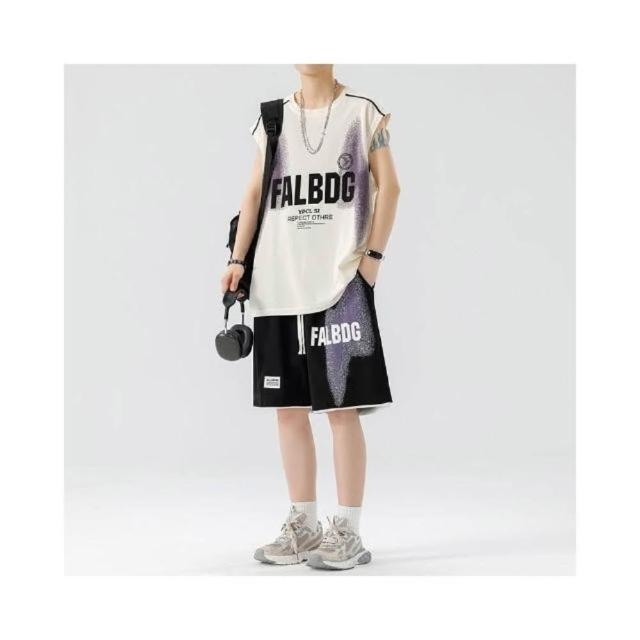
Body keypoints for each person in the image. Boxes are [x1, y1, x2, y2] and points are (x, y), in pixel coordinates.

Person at [220, 64, 400, 570]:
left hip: (340, 286)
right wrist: (238, 260)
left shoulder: (363, 114)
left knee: (342, 410)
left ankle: (347, 530)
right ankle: (303, 523)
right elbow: (253, 193)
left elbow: (391, 188)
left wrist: (372, 259)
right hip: (277, 284)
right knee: (288, 410)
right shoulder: (272, 118)